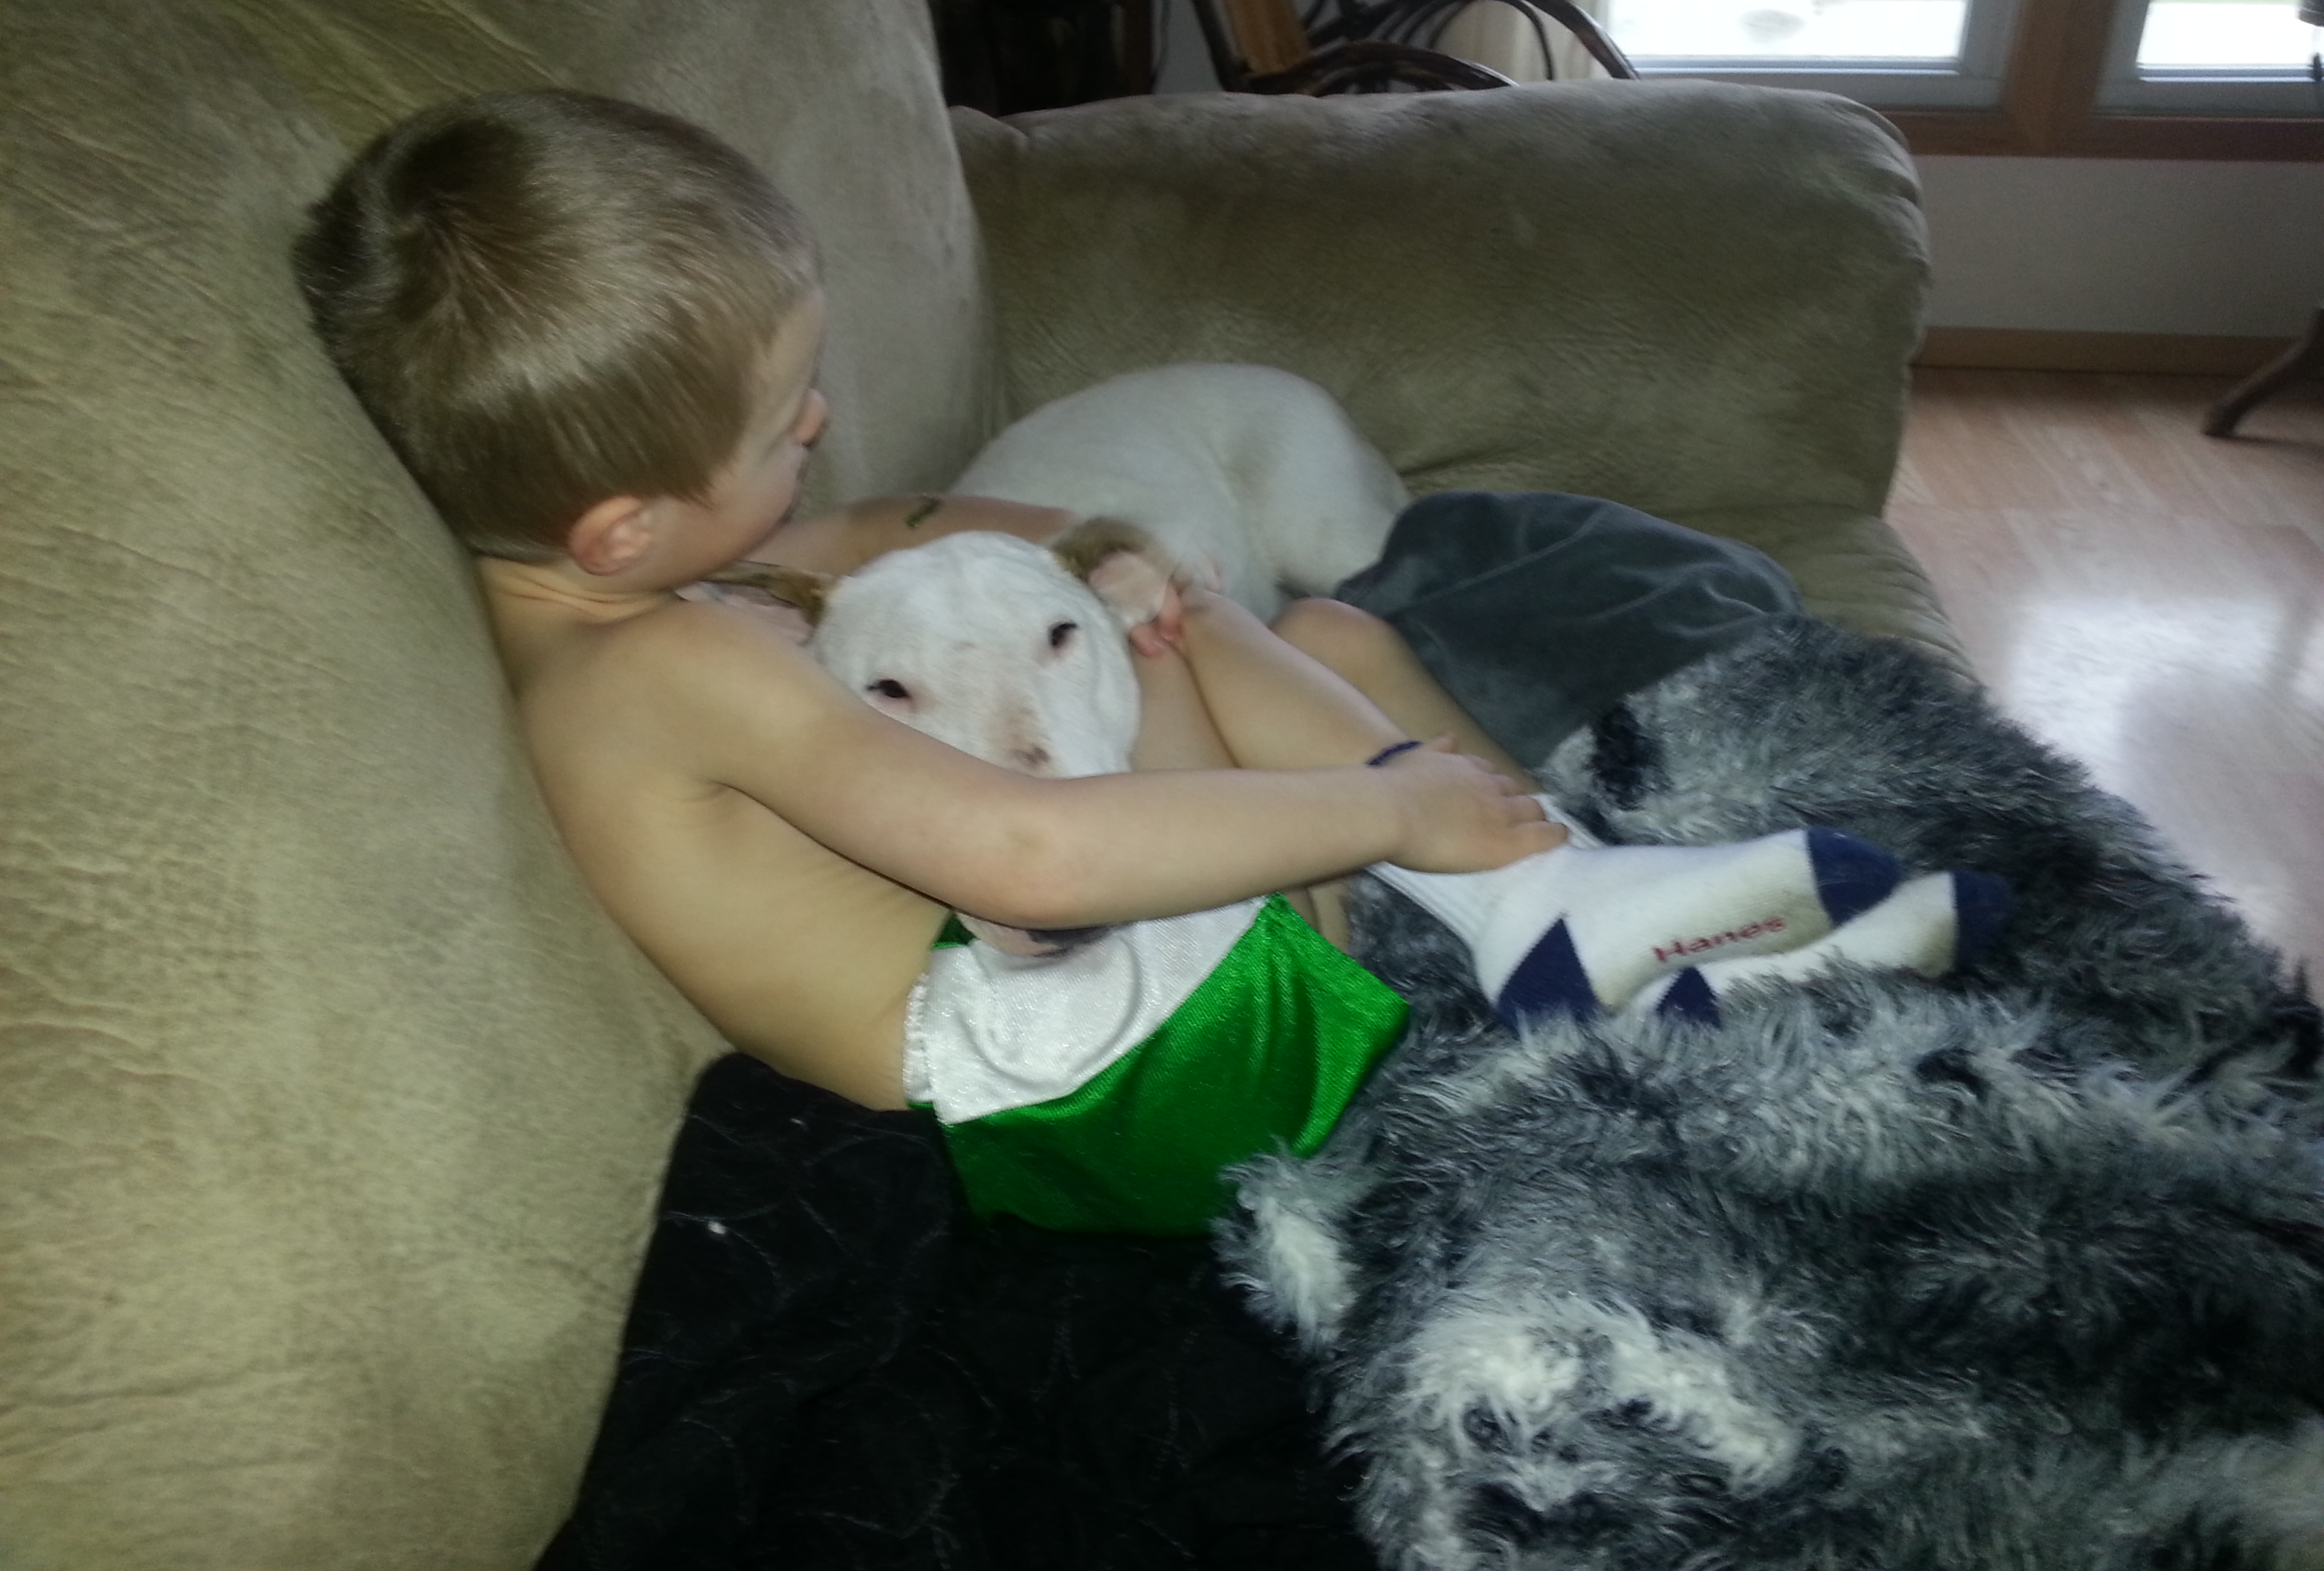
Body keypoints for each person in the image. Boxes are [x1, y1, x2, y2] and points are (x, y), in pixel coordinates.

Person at [295, 89, 2002, 1236]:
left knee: (1300, 623)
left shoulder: (616, 608)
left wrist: (1089, 540)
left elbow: (877, 520)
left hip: (1110, 1022)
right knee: (1249, 643)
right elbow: (1030, 858)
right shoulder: (672, 667)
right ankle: (1533, 888)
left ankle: (1566, 904)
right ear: (620, 530)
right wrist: (1377, 814)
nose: (817, 427)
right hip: (1115, 1075)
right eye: (780, 419)